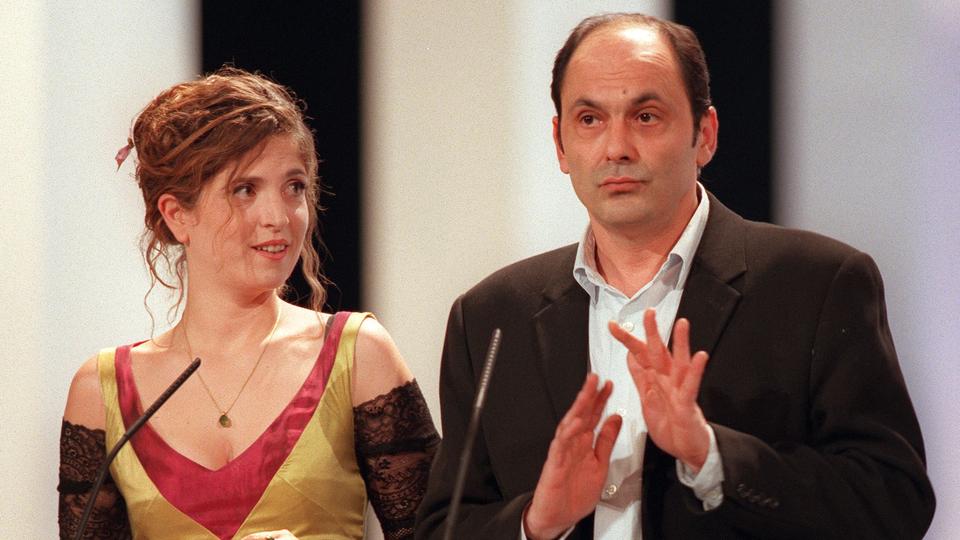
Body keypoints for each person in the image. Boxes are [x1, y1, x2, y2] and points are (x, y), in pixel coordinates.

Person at [416, 13, 934, 540]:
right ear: (560, 143)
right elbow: (445, 526)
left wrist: (708, 455)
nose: (616, 147)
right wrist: (537, 521)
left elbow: (893, 502)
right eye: (590, 119)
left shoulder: (817, 285)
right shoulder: (491, 317)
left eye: (645, 116)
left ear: (704, 135)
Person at [58, 67, 440, 540]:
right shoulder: (103, 392)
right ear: (178, 215)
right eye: (245, 190)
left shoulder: (359, 355)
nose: (278, 217)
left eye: (294, 187)